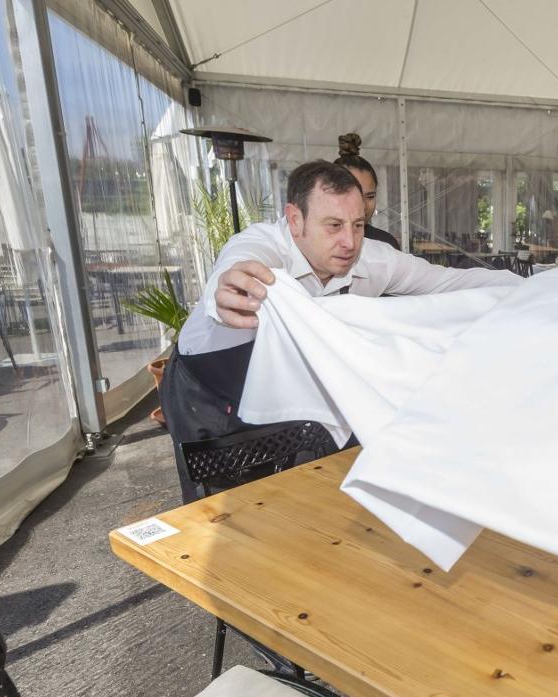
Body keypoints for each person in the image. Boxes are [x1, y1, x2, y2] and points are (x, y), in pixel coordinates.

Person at [160, 160, 521, 500]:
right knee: (222, 508)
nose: (350, 242)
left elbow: (450, 283)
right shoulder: (264, 246)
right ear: (295, 219)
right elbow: (241, 266)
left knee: (308, 494)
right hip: (208, 392)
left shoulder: (375, 260)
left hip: (289, 387)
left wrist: (528, 285)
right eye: (333, 226)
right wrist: (230, 291)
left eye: (358, 225)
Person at [334, 132, 400, 249]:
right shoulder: (316, 243)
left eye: (370, 197)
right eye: (353, 196)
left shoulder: (386, 244)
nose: (363, 206)